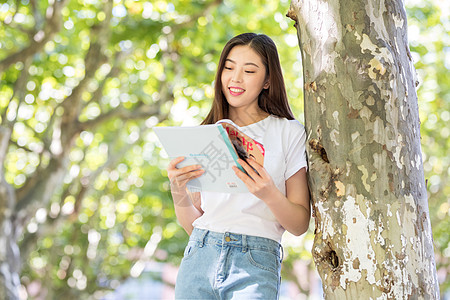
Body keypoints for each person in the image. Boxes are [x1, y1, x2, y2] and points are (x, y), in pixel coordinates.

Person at [166, 33, 310, 299]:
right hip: (200, 254)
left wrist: (268, 193)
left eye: (249, 71)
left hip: (256, 261)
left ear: (268, 80)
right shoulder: (205, 134)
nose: (235, 78)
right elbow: (192, 225)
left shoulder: (288, 132)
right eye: (229, 68)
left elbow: (300, 224)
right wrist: (177, 190)